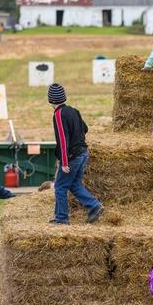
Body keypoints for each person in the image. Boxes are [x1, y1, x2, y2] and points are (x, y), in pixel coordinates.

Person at [47, 83, 104, 225]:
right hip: (83, 153)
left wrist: (64, 161)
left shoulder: (59, 114)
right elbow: (85, 128)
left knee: (60, 187)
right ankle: (94, 205)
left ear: (50, 100)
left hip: (71, 157)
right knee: (74, 184)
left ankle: (61, 218)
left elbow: (62, 138)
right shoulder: (74, 110)